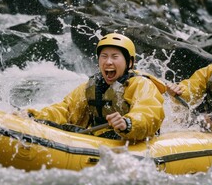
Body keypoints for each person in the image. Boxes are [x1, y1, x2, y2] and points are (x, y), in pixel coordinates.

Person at [26, 33, 166, 141]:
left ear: (129, 63)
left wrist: (128, 123)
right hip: (99, 140)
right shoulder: (90, 87)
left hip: (132, 140)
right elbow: (66, 110)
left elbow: (149, 113)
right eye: (104, 56)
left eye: (115, 57)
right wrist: (35, 116)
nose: (108, 62)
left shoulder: (141, 85)